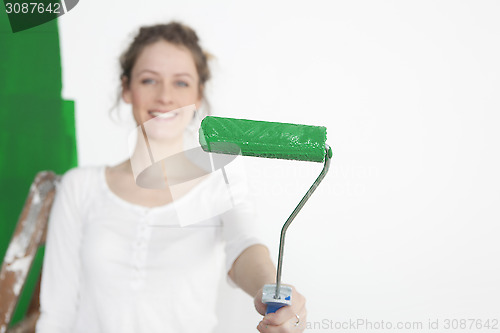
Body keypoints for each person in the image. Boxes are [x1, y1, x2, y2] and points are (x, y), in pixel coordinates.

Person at [36, 21, 306, 333]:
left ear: (198, 94)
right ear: (126, 88)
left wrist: (269, 289)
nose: (165, 97)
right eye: (149, 80)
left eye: (181, 83)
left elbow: (244, 246)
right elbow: (56, 312)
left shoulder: (221, 179)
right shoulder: (80, 187)